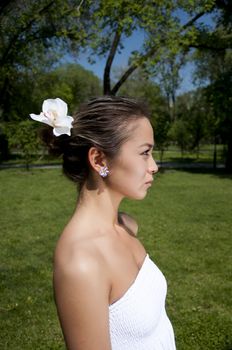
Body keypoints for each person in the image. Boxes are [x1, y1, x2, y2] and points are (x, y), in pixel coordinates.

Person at [30, 95, 176, 350]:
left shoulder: (127, 226)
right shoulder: (81, 263)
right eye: (145, 153)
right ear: (99, 160)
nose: (154, 166)